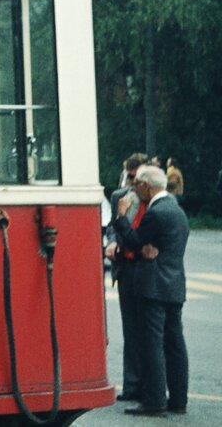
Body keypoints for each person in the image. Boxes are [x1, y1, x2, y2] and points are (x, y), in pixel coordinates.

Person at [113, 165, 190, 417]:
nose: (135, 190)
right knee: (175, 342)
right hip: (174, 283)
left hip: (153, 286)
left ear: (146, 186)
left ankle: (154, 400)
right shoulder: (177, 210)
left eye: (138, 186)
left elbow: (133, 241)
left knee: (152, 343)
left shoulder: (156, 212)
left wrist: (122, 217)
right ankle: (178, 399)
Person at [104, 154, 148, 403]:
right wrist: (111, 242)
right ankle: (132, 384)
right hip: (125, 266)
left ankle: (149, 383)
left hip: (146, 266)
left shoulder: (154, 197)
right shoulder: (119, 197)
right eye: (130, 177)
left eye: (137, 177)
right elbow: (112, 225)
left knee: (148, 329)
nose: (133, 183)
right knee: (131, 328)